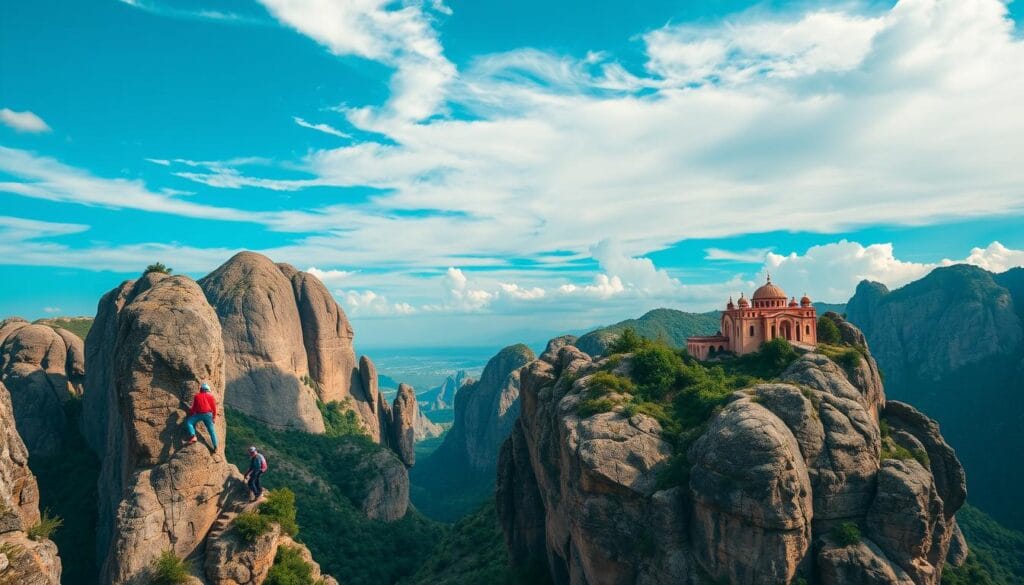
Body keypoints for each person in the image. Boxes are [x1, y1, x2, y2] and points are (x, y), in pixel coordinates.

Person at [184, 382, 218, 451]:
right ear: (207, 390)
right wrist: (214, 417)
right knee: (211, 431)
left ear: (201, 389)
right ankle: (215, 446)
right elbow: (214, 408)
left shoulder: (197, 396)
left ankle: (193, 436)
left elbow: (194, 408)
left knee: (189, 422)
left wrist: (190, 414)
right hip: (208, 415)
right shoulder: (210, 397)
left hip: (199, 414)